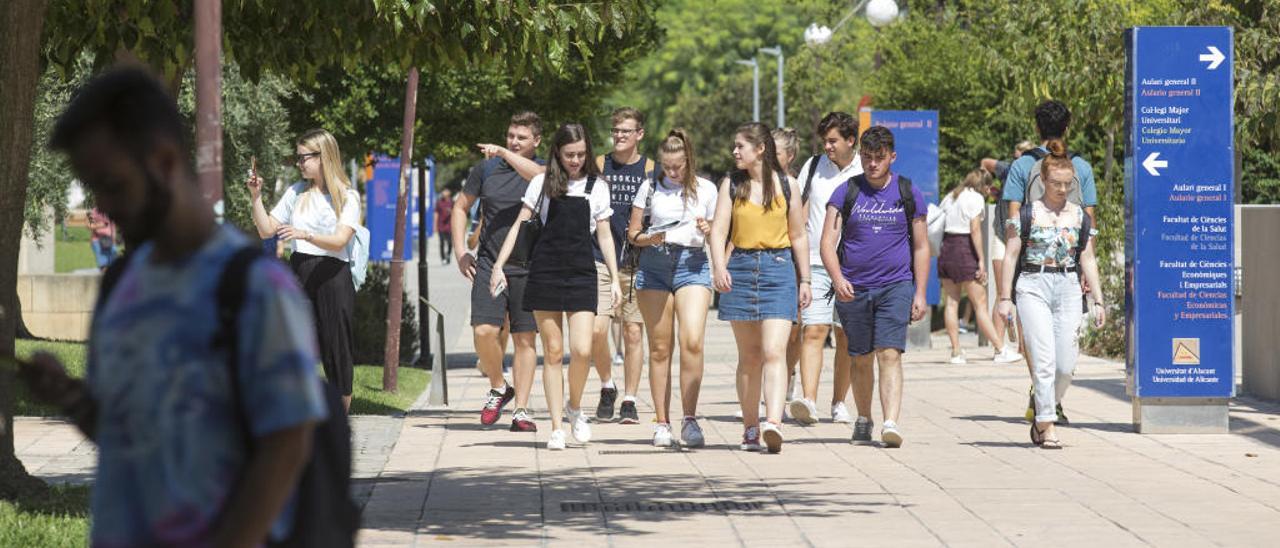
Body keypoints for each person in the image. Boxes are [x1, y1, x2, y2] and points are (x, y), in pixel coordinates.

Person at [24, 67, 329, 546]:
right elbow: (126, 436)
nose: (103, 206)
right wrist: (68, 397)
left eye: (113, 184)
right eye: (93, 186)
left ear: (165, 160)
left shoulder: (254, 286)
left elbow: (286, 447)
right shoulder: (121, 284)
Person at [490, 123, 621, 450]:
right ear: (557, 153)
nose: (575, 160)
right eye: (569, 155)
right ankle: (557, 427)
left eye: (581, 154)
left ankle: (575, 407)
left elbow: (604, 235)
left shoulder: (597, 186)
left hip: (582, 272)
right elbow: (520, 224)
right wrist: (498, 266)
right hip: (546, 270)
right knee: (551, 351)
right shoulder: (541, 183)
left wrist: (616, 279)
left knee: (582, 349)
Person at [821, 126, 929, 448]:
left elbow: (922, 246)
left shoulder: (908, 192)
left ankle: (891, 422)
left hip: (895, 285)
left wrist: (920, 292)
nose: (872, 165)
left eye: (879, 158)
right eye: (867, 158)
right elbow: (827, 242)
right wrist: (838, 279)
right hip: (853, 287)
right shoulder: (846, 192)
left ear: (891, 157)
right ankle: (864, 418)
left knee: (890, 353)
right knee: (860, 356)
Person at [995, 138, 1105, 449]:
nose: (1062, 189)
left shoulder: (1079, 216)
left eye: (1067, 184)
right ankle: (1046, 423)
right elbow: (1011, 254)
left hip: (1068, 285)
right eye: (1056, 183)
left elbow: (1088, 257)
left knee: (1065, 365)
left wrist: (1097, 299)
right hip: (1033, 283)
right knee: (1043, 359)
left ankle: (1046, 405)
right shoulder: (1028, 214)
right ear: (1043, 180)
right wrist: (1005, 299)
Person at [709, 122, 811, 454]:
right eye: (734, 146)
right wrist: (719, 266)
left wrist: (805, 279)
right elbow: (718, 230)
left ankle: (773, 424)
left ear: (760, 149)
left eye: (741, 146)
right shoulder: (731, 184)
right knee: (750, 357)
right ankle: (750, 428)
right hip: (739, 268)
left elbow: (798, 235)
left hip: (779, 269)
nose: (735, 152)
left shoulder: (788, 185)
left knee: (774, 351)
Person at [249, 128, 361, 411]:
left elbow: (340, 241)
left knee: (337, 350)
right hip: (299, 272)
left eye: (304, 158)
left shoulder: (347, 196)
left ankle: (340, 422)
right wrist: (256, 197)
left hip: (334, 275)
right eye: (297, 158)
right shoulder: (296, 192)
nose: (299, 163)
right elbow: (266, 231)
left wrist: (304, 234)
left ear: (323, 157)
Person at [451, 112, 548, 431]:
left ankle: (521, 409)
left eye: (521, 137)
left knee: (524, 339)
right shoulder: (486, 169)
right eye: (510, 136)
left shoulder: (545, 169)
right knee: (483, 331)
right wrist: (461, 251)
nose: (514, 142)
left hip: (530, 266)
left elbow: (542, 177)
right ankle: (498, 386)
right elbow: (461, 207)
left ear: (537, 141)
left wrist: (506, 152)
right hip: (490, 263)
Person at [628, 129, 717, 447]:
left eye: (678, 166)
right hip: (655, 264)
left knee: (692, 340)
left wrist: (709, 228)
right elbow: (633, 234)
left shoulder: (706, 189)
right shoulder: (649, 186)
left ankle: (690, 420)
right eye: (667, 166)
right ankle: (662, 421)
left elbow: (719, 233)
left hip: (692, 265)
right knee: (660, 348)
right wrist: (648, 238)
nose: (673, 172)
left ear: (689, 161)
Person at [787, 113, 863, 425]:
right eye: (825, 141)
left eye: (833, 141)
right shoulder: (814, 166)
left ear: (850, 140)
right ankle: (808, 399)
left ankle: (838, 402)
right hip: (817, 263)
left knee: (845, 337)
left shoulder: (865, 169)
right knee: (814, 330)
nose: (828, 146)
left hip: (853, 266)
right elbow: (799, 209)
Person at [938, 168, 1022, 364]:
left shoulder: (952, 195)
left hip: (946, 248)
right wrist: (981, 260)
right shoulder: (975, 198)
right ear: (984, 186)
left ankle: (956, 352)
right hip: (964, 249)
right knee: (980, 304)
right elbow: (975, 230)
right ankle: (1001, 349)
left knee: (951, 302)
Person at [435, 188, 454, 264]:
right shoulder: (439, 202)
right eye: (443, 192)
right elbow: (436, 213)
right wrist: (435, 226)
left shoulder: (452, 202)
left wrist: (451, 211)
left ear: (449, 193)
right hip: (441, 226)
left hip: (449, 226)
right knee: (442, 242)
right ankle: (443, 258)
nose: (443, 193)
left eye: (445, 192)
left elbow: (457, 212)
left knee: (450, 243)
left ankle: (448, 254)